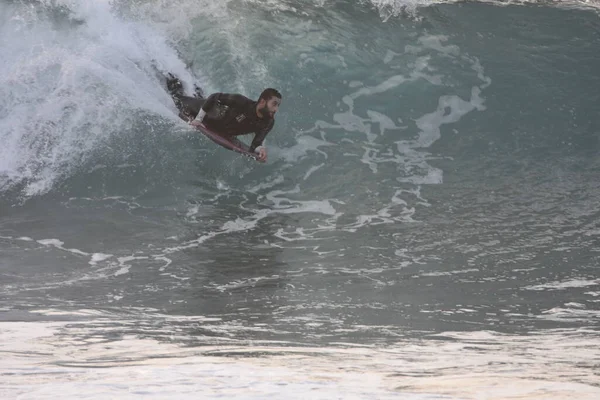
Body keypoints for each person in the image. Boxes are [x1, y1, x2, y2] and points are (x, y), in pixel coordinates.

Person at [166, 74, 281, 162]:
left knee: (199, 96)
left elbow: (256, 144)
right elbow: (214, 97)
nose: (276, 109)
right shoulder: (242, 102)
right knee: (177, 98)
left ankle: (196, 91)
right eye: (274, 104)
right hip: (207, 114)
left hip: (222, 126)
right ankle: (168, 74)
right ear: (262, 102)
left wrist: (260, 150)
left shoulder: (268, 122)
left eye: (278, 105)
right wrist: (198, 119)